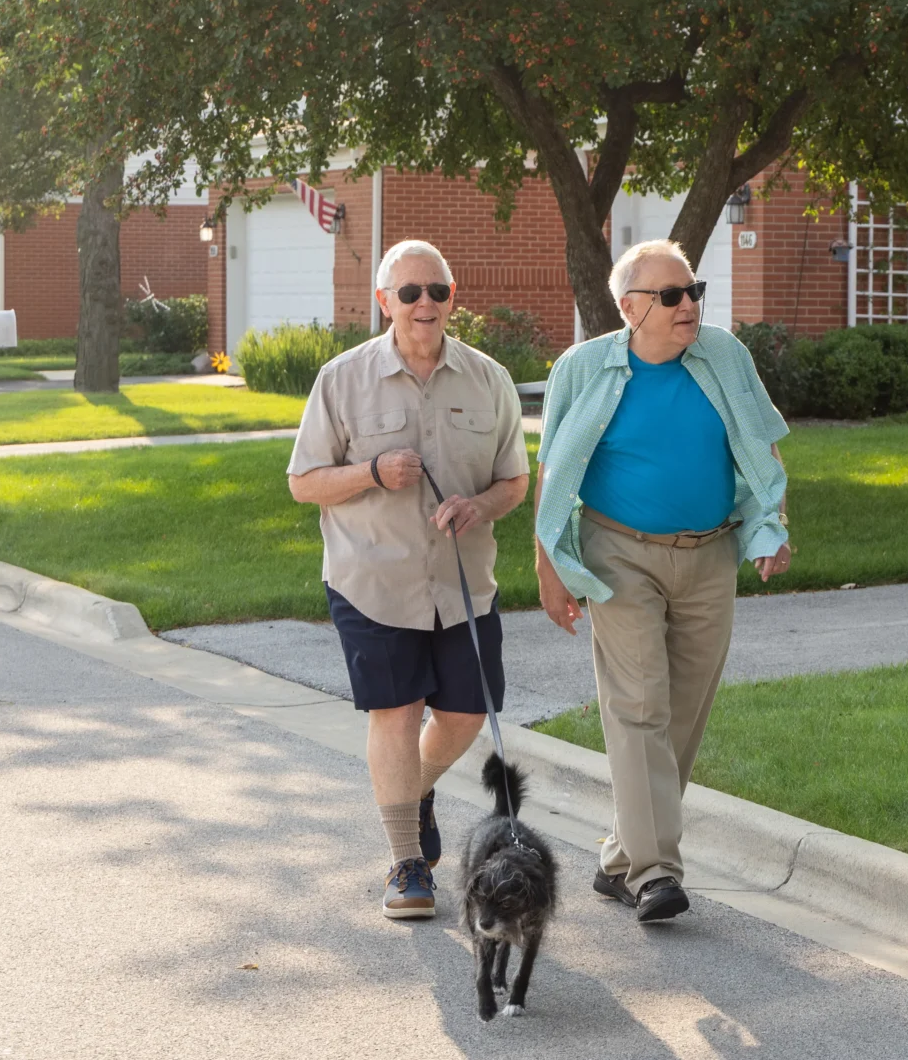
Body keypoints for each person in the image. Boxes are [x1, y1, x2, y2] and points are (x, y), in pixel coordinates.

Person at [534, 238, 792, 923]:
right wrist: (549, 568)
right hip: (620, 553)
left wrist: (771, 525)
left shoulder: (722, 354)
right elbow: (554, 473)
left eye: (693, 290)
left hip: (712, 551)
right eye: (672, 295)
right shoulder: (584, 369)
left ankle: (622, 854)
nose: (690, 306)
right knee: (640, 704)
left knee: (683, 709)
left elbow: (759, 443)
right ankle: (654, 872)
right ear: (629, 307)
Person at [288, 240, 530, 920]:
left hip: (463, 585)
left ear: (454, 297)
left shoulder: (489, 379)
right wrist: (370, 473)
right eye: (411, 292)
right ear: (384, 301)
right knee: (394, 712)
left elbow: (515, 478)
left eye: (438, 290)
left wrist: (480, 505)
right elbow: (303, 481)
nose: (425, 303)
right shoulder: (342, 379)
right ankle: (406, 862)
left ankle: (411, 793)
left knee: (465, 712)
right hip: (373, 579)